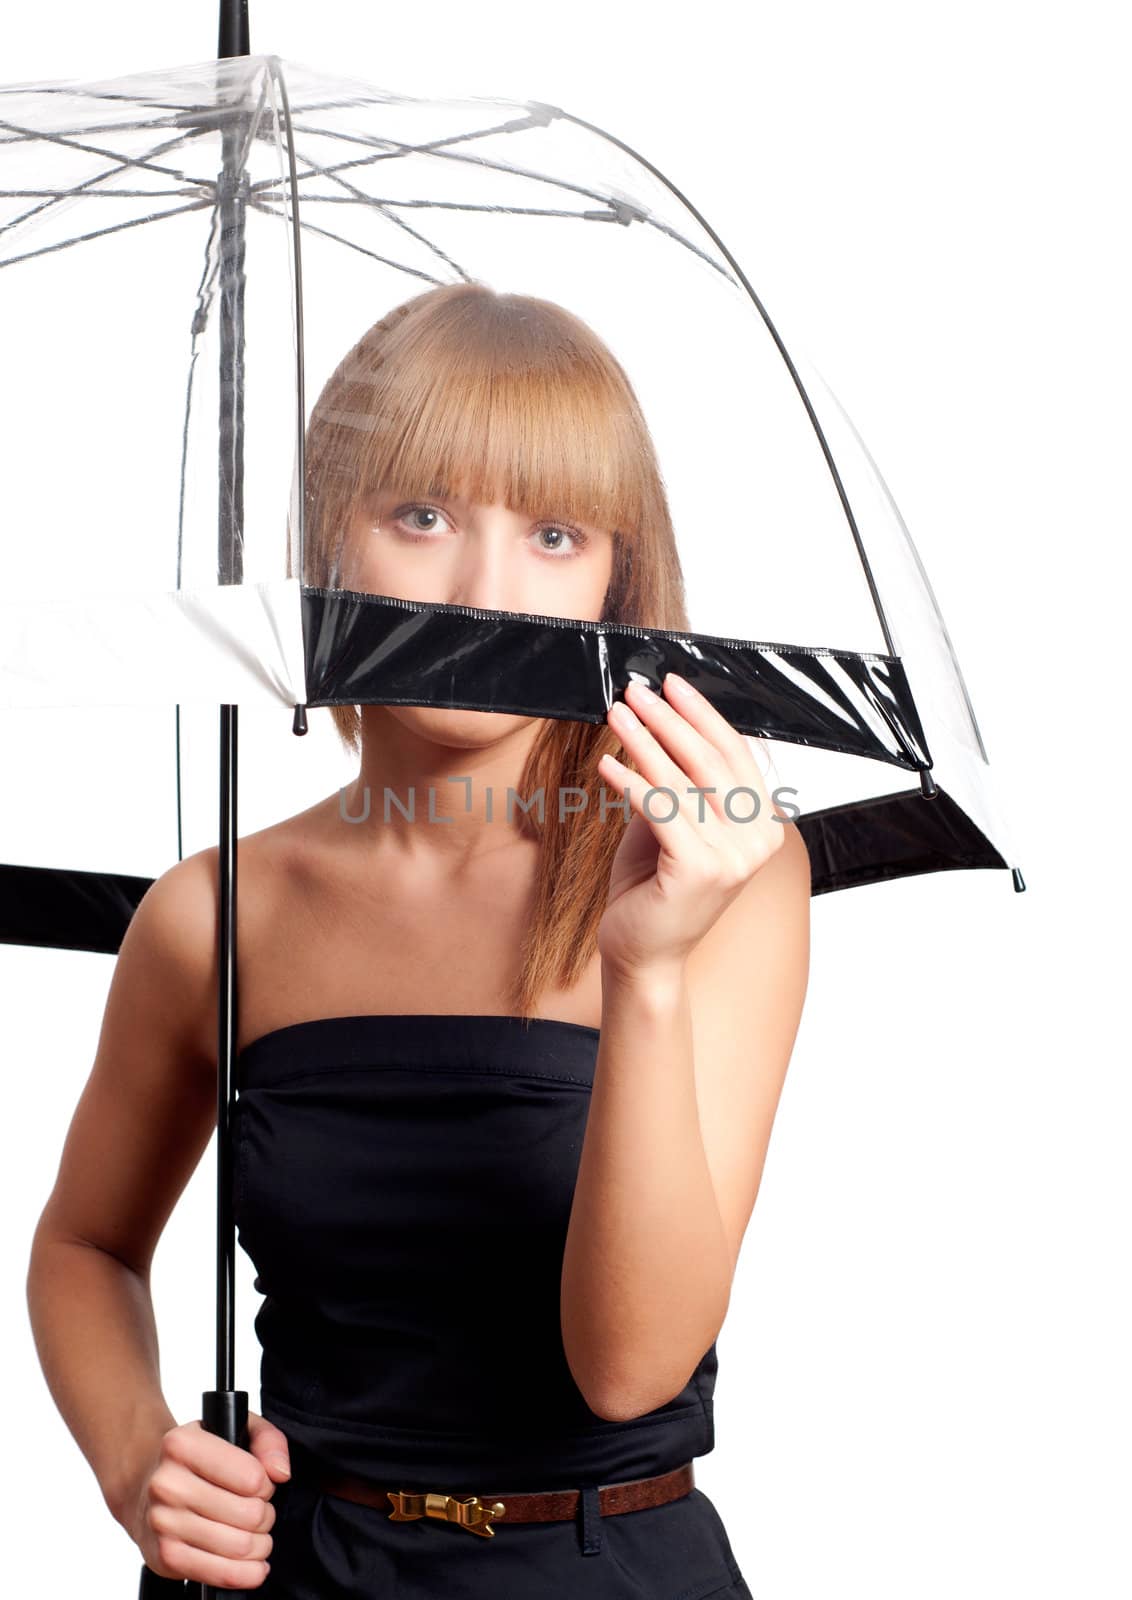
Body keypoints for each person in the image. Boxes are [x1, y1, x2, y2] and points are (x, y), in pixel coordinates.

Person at [25, 282, 811, 1598]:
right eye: (423, 516)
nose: (484, 590)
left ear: (621, 574)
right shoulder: (214, 913)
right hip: (292, 1571)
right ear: (333, 539)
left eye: (554, 533)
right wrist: (134, 1462)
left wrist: (650, 967)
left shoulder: (720, 873)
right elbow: (85, 1247)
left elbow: (629, 1370)